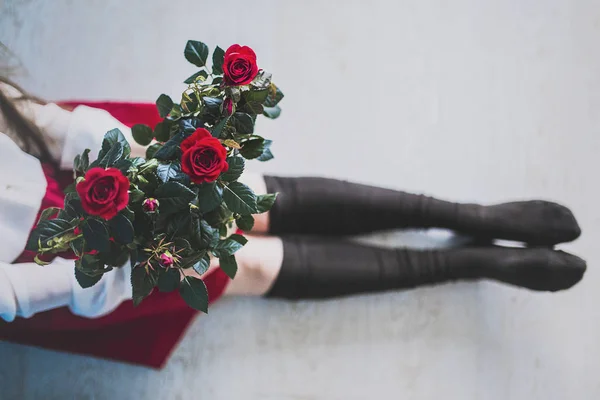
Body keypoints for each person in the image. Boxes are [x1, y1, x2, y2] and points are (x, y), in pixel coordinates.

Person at [0, 78, 586, 368]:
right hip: (49, 267)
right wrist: (114, 264)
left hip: (70, 165)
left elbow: (31, 118)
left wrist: (131, 164)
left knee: (250, 201)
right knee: (245, 264)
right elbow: (14, 294)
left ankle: (467, 216)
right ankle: (467, 261)